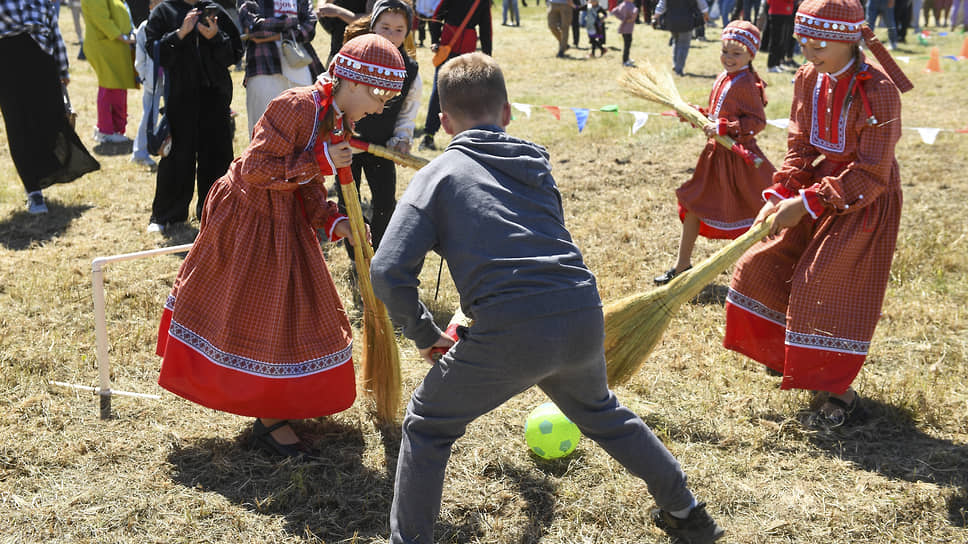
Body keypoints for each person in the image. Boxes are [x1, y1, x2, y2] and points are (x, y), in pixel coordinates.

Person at [371, 52, 725, 544]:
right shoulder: (536, 164)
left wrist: (424, 334)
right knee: (602, 412)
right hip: (581, 313)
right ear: (508, 111)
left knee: (428, 425)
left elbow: (387, 270)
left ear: (444, 120)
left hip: (513, 330)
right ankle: (687, 513)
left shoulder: (438, 174)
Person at [156, 34, 406, 458]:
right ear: (357, 83)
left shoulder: (336, 118)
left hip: (283, 218)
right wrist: (322, 160)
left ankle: (282, 401)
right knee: (262, 311)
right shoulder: (296, 106)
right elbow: (255, 169)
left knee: (297, 312)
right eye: (380, 99)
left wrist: (336, 220)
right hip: (250, 219)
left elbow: (309, 187)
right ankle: (269, 419)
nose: (380, 109)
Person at [723, 0, 912, 428]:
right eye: (803, 43)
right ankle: (794, 360)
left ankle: (840, 392)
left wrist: (806, 202)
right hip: (816, 191)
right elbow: (802, 145)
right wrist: (782, 190)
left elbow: (870, 173)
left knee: (821, 285)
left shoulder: (878, 91)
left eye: (819, 45)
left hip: (861, 199)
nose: (808, 53)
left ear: (848, 39)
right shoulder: (809, 77)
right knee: (761, 264)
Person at [655, 21, 775, 284]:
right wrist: (696, 114)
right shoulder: (724, 77)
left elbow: (757, 122)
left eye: (736, 53)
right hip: (715, 157)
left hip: (738, 161)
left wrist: (725, 126)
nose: (728, 58)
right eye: (725, 51)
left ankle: (766, 272)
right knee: (694, 204)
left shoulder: (746, 83)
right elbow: (717, 113)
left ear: (751, 55)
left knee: (760, 214)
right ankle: (682, 266)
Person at [144, 0, 243, 233]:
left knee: (217, 159)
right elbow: (154, 50)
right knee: (177, 158)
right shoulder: (164, 11)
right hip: (180, 99)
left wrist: (216, 37)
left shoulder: (215, 11)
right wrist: (180, 34)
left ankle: (217, 213)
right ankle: (167, 216)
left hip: (215, 99)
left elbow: (235, 53)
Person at [338, 0, 422, 257]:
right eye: (385, 27)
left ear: (407, 33)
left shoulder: (410, 71)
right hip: (346, 147)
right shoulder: (353, 57)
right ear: (373, 26)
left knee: (385, 204)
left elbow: (408, 112)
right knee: (348, 203)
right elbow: (334, 98)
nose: (391, 35)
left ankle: (378, 254)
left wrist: (402, 139)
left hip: (381, 148)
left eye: (399, 29)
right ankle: (357, 256)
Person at [0, 0, 100, 214]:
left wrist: (63, 69)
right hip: (6, 63)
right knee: (18, 126)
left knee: (50, 122)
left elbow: (54, 30)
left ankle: (46, 172)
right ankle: (33, 191)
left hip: (42, 61)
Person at [239, 0, 324, 139]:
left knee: (306, 139)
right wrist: (293, 22)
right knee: (264, 138)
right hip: (263, 71)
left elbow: (309, 29)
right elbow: (254, 28)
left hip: (301, 70)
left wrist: (277, 34)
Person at [417, 0, 491, 150]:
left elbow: (485, 28)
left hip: (467, 52)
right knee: (439, 93)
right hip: (448, 47)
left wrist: (487, 56)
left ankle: (465, 136)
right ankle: (429, 135)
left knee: (465, 95)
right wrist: (435, 40)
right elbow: (437, 16)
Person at [82, 0, 140, 144]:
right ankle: (105, 131)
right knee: (110, 87)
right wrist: (123, 37)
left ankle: (116, 129)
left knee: (117, 87)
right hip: (105, 46)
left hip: (116, 47)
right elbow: (101, 18)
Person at [131, 0, 165, 168]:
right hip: (152, 78)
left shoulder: (169, 21)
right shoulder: (145, 26)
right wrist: (144, 75)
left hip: (170, 78)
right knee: (149, 115)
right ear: (151, 5)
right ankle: (140, 152)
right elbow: (140, 56)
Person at [654, 0, 710, 76]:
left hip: (671, 20)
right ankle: (679, 68)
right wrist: (706, 15)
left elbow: (661, 5)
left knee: (675, 41)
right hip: (687, 20)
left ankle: (675, 64)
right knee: (684, 45)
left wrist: (656, 16)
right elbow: (702, 4)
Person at [765, 0, 796, 71]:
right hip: (777, 11)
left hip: (785, 11)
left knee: (783, 40)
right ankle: (771, 65)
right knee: (776, 40)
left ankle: (777, 63)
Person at [611, 0, 638, 65]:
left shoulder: (622, 4)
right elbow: (635, 12)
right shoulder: (630, 5)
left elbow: (614, 11)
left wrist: (622, 18)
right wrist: (631, 19)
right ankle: (625, 60)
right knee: (627, 45)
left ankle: (627, 58)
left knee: (626, 44)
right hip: (628, 29)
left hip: (623, 27)